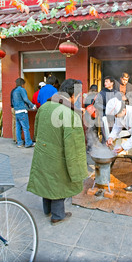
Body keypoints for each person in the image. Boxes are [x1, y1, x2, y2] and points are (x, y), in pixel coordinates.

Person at [27, 79, 88, 225]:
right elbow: (73, 145)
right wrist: (78, 164)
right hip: (58, 154)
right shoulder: (69, 113)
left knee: (46, 178)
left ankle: (47, 209)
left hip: (43, 151)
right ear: (72, 95)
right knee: (58, 181)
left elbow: (36, 131)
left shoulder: (45, 106)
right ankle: (57, 215)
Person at [94, 76, 121, 143]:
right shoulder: (101, 92)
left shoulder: (116, 93)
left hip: (114, 118)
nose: (105, 83)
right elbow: (96, 104)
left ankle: (113, 151)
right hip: (104, 117)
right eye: (105, 81)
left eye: (107, 81)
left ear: (112, 83)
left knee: (113, 135)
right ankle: (104, 151)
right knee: (105, 135)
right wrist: (106, 109)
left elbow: (120, 104)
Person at [11, 78, 36, 148]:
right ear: (22, 84)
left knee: (18, 128)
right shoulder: (22, 90)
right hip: (22, 111)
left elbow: (13, 102)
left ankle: (19, 143)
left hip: (17, 112)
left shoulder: (14, 91)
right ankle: (28, 143)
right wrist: (32, 105)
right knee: (26, 128)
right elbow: (25, 99)